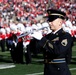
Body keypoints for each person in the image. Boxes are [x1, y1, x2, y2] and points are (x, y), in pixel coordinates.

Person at [31, 9, 73, 75]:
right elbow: (35, 51)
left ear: (60, 22)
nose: (49, 23)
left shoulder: (65, 36)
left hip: (59, 70)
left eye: (52, 20)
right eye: (49, 20)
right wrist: (34, 40)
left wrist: (42, 39)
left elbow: (57, 51)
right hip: (48, 70)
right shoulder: (47, 37)